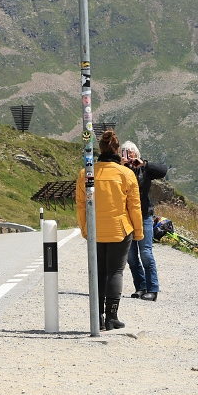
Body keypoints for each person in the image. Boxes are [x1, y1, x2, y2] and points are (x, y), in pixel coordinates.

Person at [76, 129, 143, 330]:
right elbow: (134, 206)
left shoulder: (85, 173)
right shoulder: (126, 174)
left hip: (95, 230)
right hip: (120, 230)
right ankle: (111, 317)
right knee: (115, 272)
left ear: (100, 149)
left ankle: (97, 316)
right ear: (117, 150)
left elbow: (81, 204)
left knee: (98, 272)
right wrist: (138, 232)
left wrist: (85, 229)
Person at [120, 141, 167, 301]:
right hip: (126, 216)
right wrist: (120, 165)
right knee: (131, 256)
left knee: (145, 252)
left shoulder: (144, 169)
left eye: (130, 153)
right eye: (125, 152)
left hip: (144, 215)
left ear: (136, 154)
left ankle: (152, 289)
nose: (128, 155)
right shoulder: (120, 169)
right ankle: (140, 287)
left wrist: (143, 164)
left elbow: (163, 170)